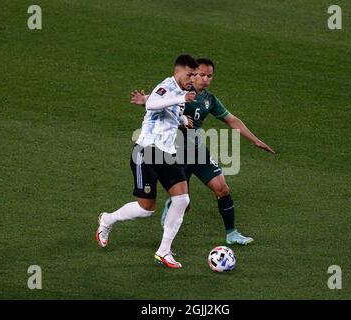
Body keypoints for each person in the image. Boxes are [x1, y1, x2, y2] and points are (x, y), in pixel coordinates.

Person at [130, 58, 275, 245]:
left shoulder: (210, 100)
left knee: (222, 188)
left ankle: (232, 234)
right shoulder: (180, 90)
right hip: (176, 153)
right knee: (185, 203)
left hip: (197, 152)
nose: (205, 79)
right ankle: (168, 228)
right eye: (201, 75)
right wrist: (144, 100)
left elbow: (232, 120)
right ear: (191, 74)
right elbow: (157, 101)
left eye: (210, 76)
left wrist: (255, 140)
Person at [96, 54, 199, 269]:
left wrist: (181, 119)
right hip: (146, 152)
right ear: (178, 71)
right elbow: (153, 103)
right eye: (189, 74)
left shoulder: (181, 92)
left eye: (194, 75)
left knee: (182, 199)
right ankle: (107, 220)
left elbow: (162, 108)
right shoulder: (167, 87)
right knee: (146, 209)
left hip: (166, 153)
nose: (192, 79)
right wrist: (178, 101)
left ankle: (163, 252)